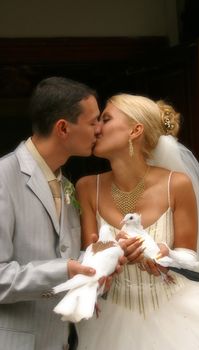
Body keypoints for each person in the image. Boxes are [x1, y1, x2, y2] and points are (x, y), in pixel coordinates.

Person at [76, 93, 199, 350]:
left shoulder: (177, 184)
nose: (97, 127)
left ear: (135, 130)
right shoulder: (86, 188)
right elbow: (88, 260)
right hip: (112, 321)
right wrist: (111, 254)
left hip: (179, 318)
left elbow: (188, 255)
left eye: (105, 118)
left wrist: (165, 258)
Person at [0, 78, 140, 350]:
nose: (99, 130)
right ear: (63, 128)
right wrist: (64, 270)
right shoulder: (4, 178)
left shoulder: (67, 184)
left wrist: (99, 266)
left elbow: (70, 259)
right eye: (93, 122)